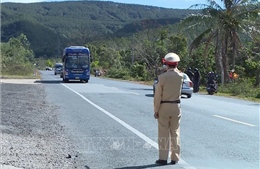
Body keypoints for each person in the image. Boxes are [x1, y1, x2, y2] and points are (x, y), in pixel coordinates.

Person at [154, 52, 183, 165]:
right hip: (176, 106)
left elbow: (158, 95)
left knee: (163, 133)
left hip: (164, 106)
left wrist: (156, 110)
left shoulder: (162, 77)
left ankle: (163, 158)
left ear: (166, 64)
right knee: (175, 132)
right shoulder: (181, 76)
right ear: (176, 64)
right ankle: (175, 158)